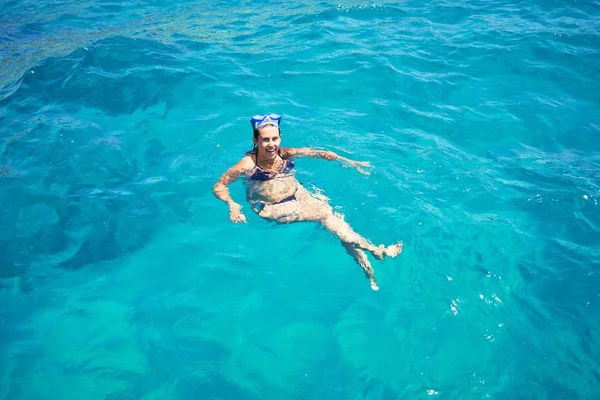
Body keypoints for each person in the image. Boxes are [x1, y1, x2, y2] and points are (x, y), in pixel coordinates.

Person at [213, 113, 402, 290]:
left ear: (280, 137)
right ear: (256, 140)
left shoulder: (284, 153)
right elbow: (219, 186)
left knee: (335, 223)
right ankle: (376, 250)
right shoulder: (248, 164)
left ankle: (369, 270)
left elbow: (318, 153)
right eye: (265, 139)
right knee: (326, 216)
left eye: (275, 139)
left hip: (297, 193)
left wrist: (349, 161)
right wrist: (232, 204)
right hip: (272, 207)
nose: (271, 144)